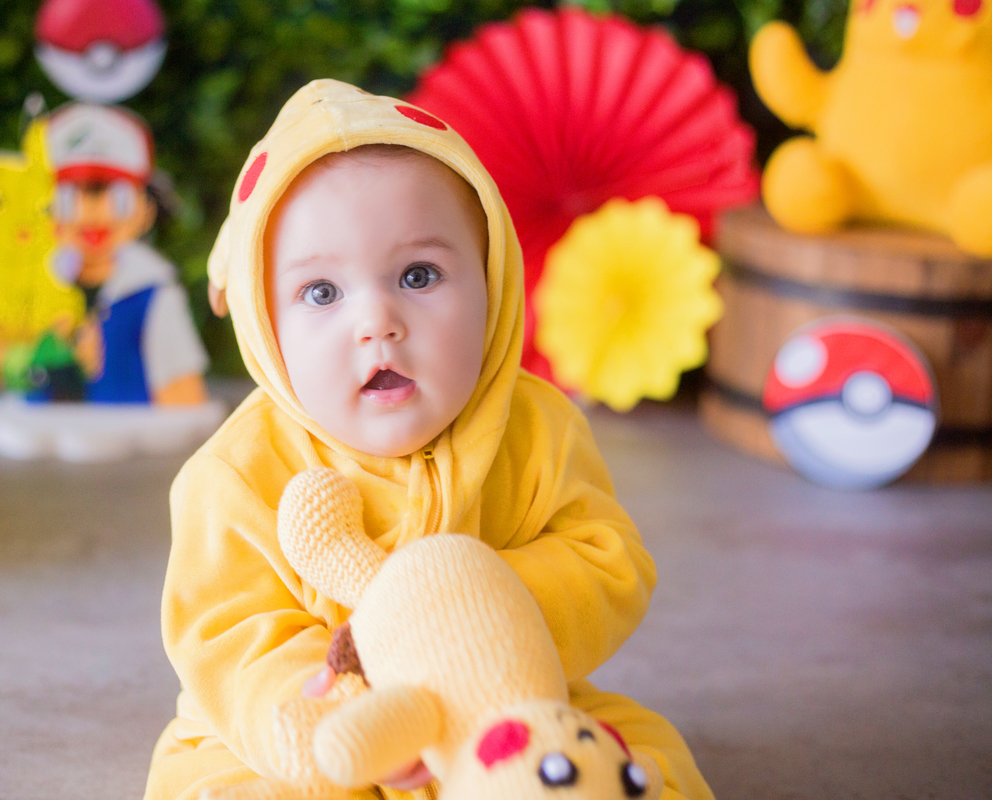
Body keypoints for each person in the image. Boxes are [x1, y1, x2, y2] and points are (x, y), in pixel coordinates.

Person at [145, 80, 714, 800]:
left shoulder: (537, 427)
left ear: (493, 284)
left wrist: (477, 620)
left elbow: (608, 563)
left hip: (509, 711)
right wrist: (334, 710)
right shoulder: (235, 474)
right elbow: (226, 633)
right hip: (328, 737)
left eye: (419, 275)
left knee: (649, 761)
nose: (377, 321)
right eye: (322, 292)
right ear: (265, 323)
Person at [44, 102, 209, 404]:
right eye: (69, 198)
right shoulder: (40, 285)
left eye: (116, 197)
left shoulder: (154, 294)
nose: (90, 213)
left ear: (146, 210)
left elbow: (183, 398)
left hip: (132, 445)